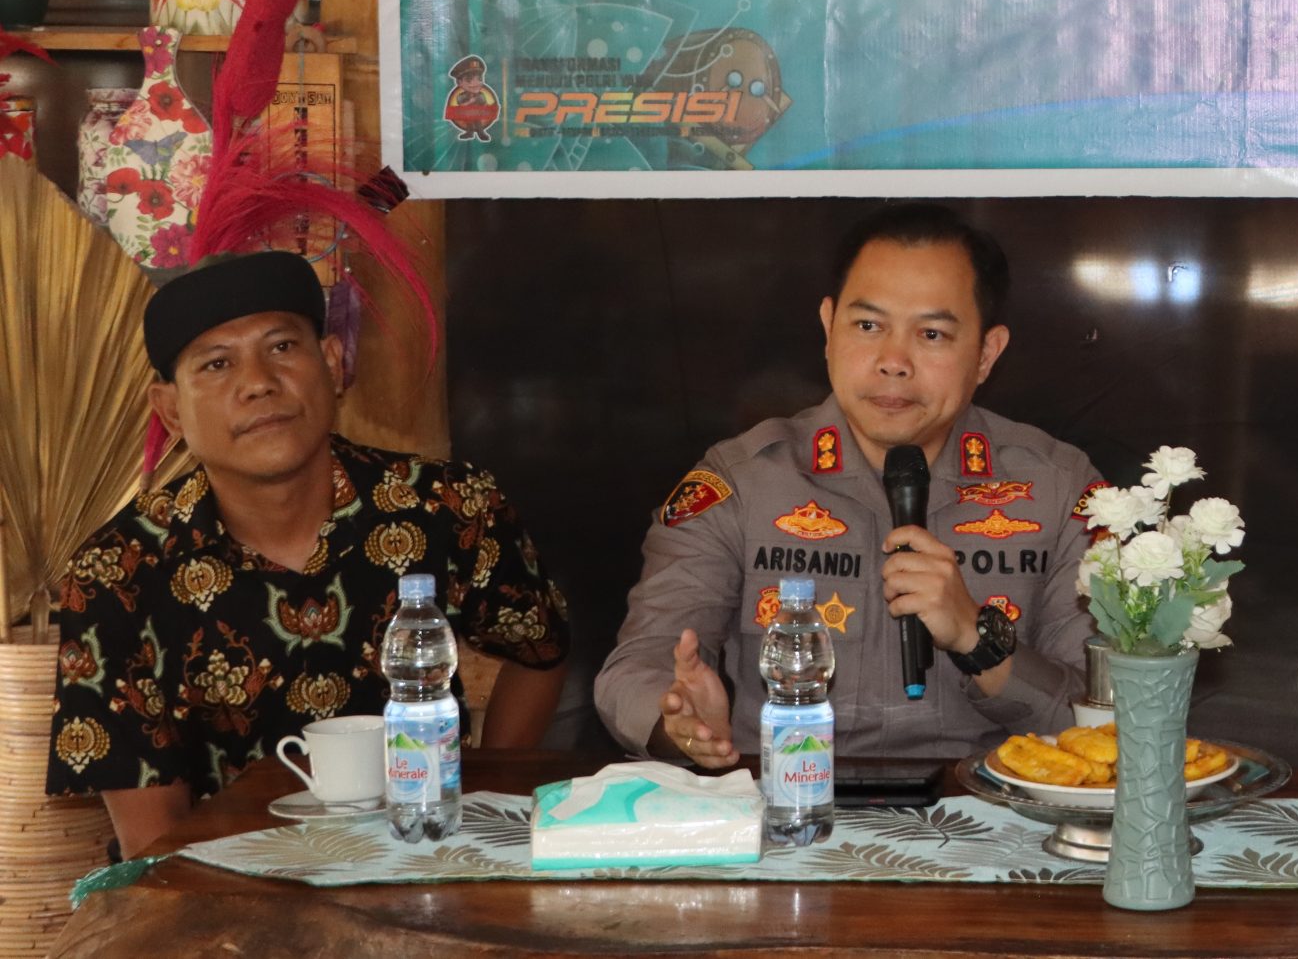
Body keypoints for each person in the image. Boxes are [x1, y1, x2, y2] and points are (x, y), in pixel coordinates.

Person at [47, 252, 571, 856]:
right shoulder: (117, 571)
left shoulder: (447, 506)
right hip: (224, 887)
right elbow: (153, 840)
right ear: (171, 411)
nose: (258, 383)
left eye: (282, 347)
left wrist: (472, 797)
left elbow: (542, 649)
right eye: (217, 364)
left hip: (423, 861)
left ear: (332, 363)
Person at [596, 203, 1101, 768]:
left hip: (988, 802)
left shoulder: (1059, 489)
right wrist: (677, 723)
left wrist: (978, 639)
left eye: (931, 333)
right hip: (787, 796)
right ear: (828, 328)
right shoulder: (742, 480)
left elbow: (1105, 714)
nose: (893, 361)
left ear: (986, 354)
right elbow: (638, 664)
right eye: (867, 326)